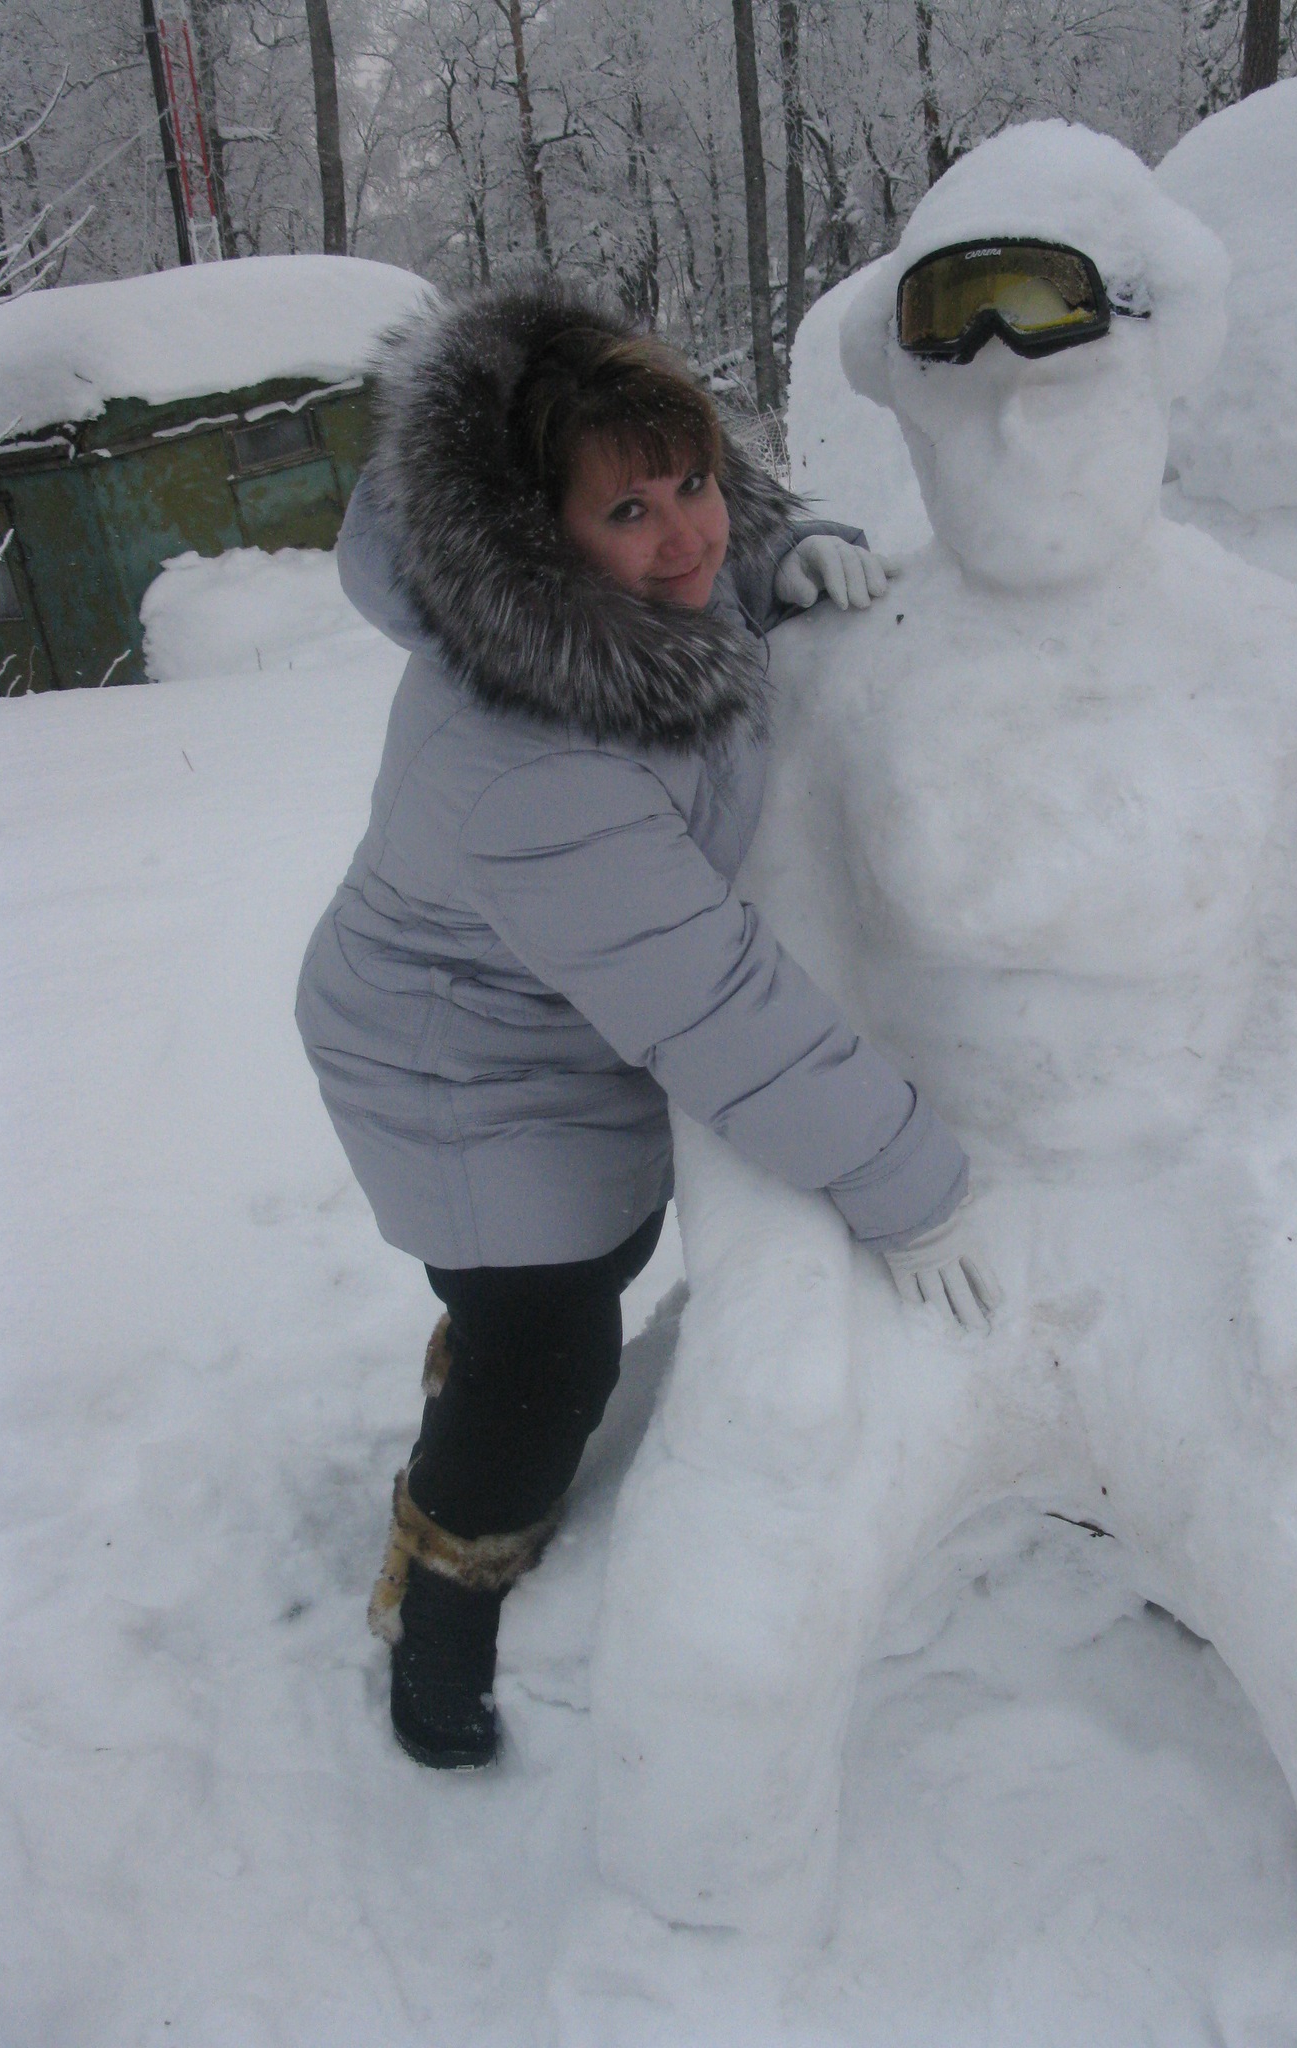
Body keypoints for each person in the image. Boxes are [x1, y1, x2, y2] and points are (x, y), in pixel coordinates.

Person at [295, 280, 995, 1772]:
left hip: (540, 1024)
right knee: (551, 1356)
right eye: (630, 511)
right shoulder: (535, 759)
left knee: (581, 1268)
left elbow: (708, 584)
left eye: (696, 484)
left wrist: (785, 551)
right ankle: (442, 1597)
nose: (687, 537)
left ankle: (486, 1351)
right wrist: (910, 1184)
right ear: (533, 536)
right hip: (455, 1070)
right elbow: (716, 1004)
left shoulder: (603, 609)